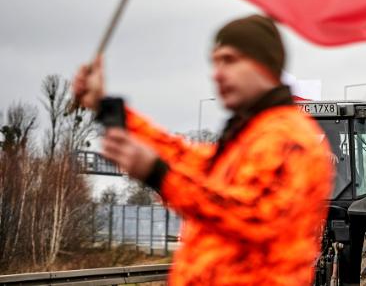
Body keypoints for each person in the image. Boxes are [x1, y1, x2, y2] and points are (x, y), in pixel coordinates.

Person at [73, 15, 333, 285]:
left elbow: (252, 215)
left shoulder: (291, 139)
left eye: (229, 60)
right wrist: (106, 108)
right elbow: (184, 158)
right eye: (215, 62)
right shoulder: (250, 138)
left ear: (265, 65)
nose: (217, 73)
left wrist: (160, 175)